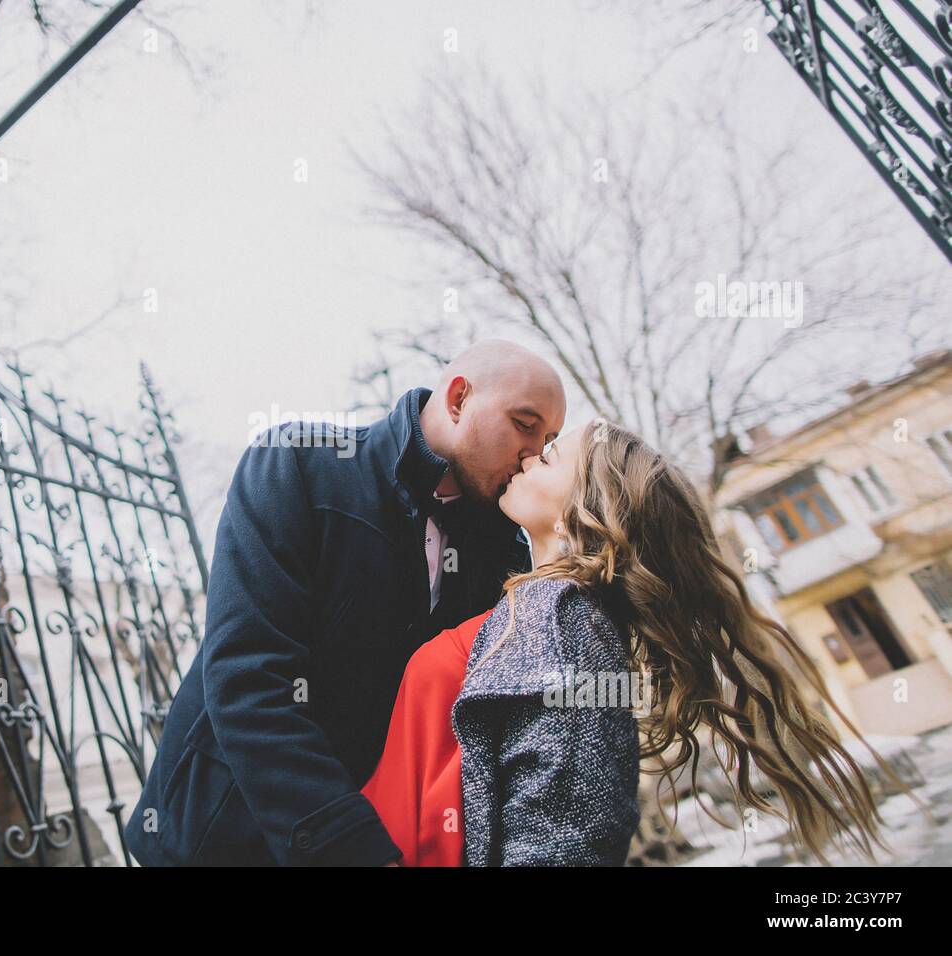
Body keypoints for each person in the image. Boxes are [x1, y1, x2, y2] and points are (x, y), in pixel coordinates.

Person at [361, 419, 914, 866]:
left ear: (590, 507)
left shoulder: (565, 618)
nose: (528, 457)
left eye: (549, 457)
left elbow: (563, 840)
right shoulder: (541, 609)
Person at [122, 340, 566, 865]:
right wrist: (353, 848)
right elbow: (247, 677)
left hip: (387, 834)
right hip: (220, 839)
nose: (534, 453)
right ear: (458, 399)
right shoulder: (298, 464)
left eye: (550, 440)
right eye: (525, 423)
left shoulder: (504, 547)